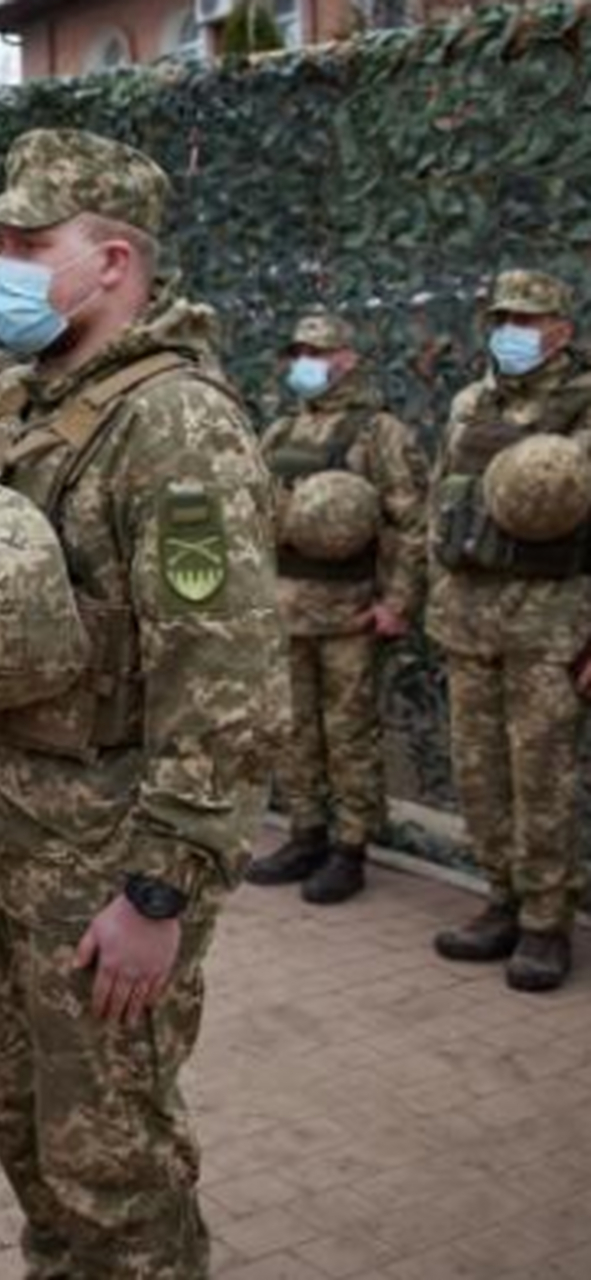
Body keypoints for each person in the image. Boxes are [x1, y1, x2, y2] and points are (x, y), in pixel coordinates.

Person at [0, 129, 287, 1279]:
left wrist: (160, 886)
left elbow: (229, 674)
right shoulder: (23, 394)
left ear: (110, 263)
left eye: (26, 243)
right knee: (18, 1117)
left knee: (112, 1161)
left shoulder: (177, 424)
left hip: (103, 855)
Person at [425, 269, 591, 992]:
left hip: (548, 626)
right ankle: (499, 898)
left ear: (561, 330)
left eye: (526, 318)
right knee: (479, 775)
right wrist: (433, 598)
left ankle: (546, 922)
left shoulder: (583, 410)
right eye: (502, 317)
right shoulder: (468, 405)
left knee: (542, 779)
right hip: (467, 620)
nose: (510, 332)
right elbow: (439, 508)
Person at [246, 312, 426, 905]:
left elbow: (409, 522)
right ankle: (305, 833)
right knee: (293, 731)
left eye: (317, 351)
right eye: (297, 350)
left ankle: (350, 848)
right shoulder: (278, 434)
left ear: (348, 357)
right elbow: (256, 515)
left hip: (350, 612)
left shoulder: (380, 433)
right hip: (285, 608)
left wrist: (397, 602)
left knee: (349, 734)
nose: (305, 361)